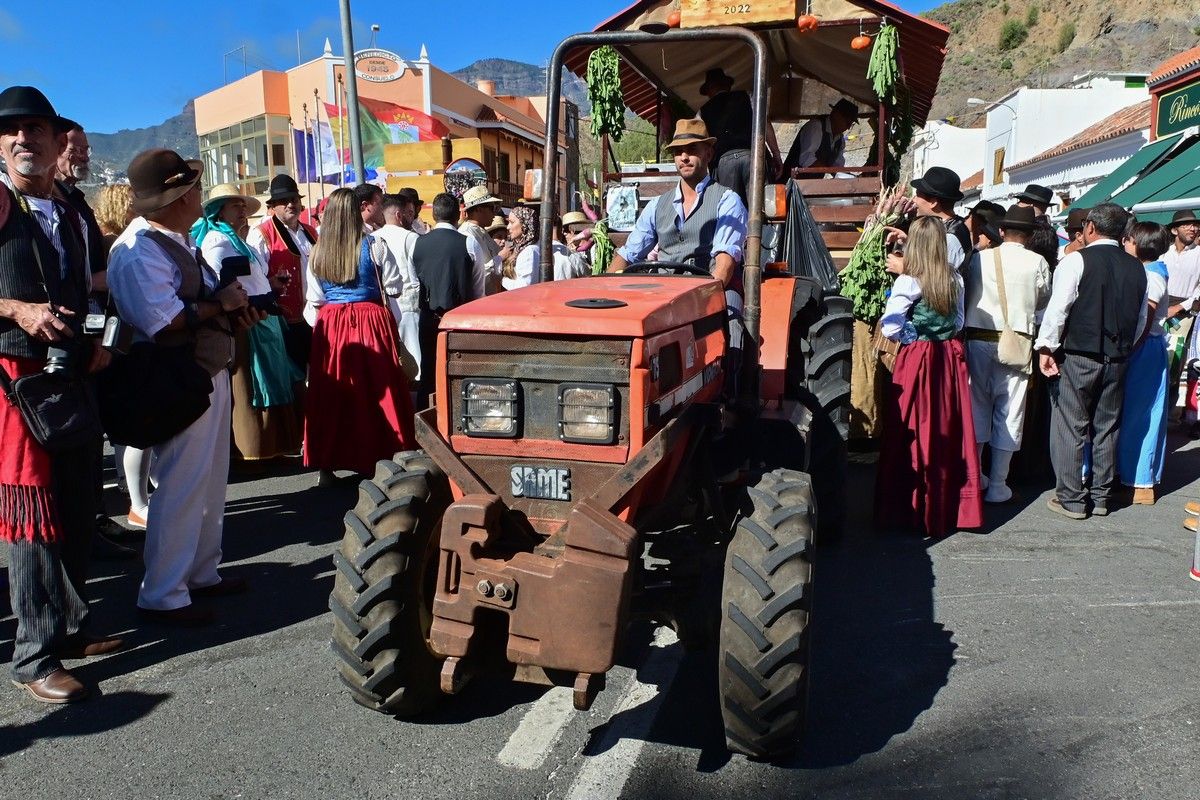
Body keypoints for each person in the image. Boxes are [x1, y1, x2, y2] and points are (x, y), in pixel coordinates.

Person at [0, 85, 123, 703]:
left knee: (78, 505)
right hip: (17, 383)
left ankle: (72, 629)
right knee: (33, 520)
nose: (24, 139)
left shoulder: (73, 210)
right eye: (12, 130)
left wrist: (102, 337)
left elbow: (95, 287)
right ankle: (34, 655)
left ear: (56, 142)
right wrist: (13, 307)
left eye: (36, 130)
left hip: (73, 373)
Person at [109, 148, 258, 626]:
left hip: (201, 369)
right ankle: (164, 593)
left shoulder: (169, 238)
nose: (198, 196)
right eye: (191, 189)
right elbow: (165, 320)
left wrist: (229, 307)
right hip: (175, 376)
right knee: (181, 484)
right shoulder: (140, 249)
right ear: (176, 198)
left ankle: (198, 573)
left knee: (210, 480)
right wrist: (223, 305)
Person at [52, 121, 140, 557]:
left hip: (94, 331)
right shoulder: (35, 204)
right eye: (76, 148)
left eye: (87, 148)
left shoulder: (75, 202)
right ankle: (78, 531)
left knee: (91, 436)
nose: (83, 155)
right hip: (58, 337)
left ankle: (94, 523)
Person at [1035, 203, 1148, 520]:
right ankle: (1100, 497)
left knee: (1070, 425)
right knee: (1107, 427)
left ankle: (1072, 498)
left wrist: (1046, 346)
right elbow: (1139, 319)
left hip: (1079, 354)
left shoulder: (1075, 262)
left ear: (1090, 228)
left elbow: (1059, 309)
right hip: (1118, 356)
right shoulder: (1136, 267)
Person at [610, 119, 748, 373]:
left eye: (692, 149)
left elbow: (724, 268)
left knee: (732, 323)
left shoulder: (727, 201)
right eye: (678, 152)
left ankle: (732, 399)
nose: (684, 157)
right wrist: (605, 289)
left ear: (709, 153)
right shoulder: (657, 206)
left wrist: (696, 304)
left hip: (713, 291)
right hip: (665, 292)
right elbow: (628, 253)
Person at [875, 215, 982, 536]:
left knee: (912, 426)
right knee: (945, 428)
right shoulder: (954, 279)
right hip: (948, 358)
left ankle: (909, 507)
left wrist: (913, 335)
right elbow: (960, 322)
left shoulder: (909, 281)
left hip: (919, 360)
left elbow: (891, 326)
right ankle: (945, 507)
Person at [303, 187, 415, 475]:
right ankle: (380, 455)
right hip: (370, 321)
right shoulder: (374, 245)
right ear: (355, 212)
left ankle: (326, 466)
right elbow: (393, 288)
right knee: (377, 388)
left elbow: (315, 299)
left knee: (333, 392)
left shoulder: (316, 252)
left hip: (331, 324)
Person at [192, 183, 303, 464]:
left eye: (243, 206)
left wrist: (271, 286)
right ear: (221, 211)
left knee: (271, 379)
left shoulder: (237, 241)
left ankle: (273, 446)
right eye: (235, 206)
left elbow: (252, 278)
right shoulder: (217, 240)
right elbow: (218, 280)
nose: (242, 211)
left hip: (263, 318)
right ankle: (254, 450)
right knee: (254, 385)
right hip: (247, 320)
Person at [963, 205, 1051, 503]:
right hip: (1018, 343)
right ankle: (999, 483)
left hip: (978, 339)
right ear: (1029, 235)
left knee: (978, 407)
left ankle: (973, 477)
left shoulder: (980, 259)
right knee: (1010, 411)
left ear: (1001, 231)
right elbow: (1042, 301)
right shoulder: (1038, 262)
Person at [1116, 221, 1172, 505]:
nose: (1125, 243)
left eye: (1129, 240)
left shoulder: (1152, 277)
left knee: (1142, 415)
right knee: (1140, 413)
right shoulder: (1152, 271)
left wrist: (1130, 349)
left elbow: (1145, 320)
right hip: (1148, 347)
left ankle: (1141, 481)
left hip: (1144, 348)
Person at [412, 192, 480, 408]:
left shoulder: (417, 243)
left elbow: (415, 283)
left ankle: (425, 415)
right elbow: (478, 286)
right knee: (459, 370)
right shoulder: (468, 243)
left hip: (427, 315)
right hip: (460, 318)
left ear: (434, 215)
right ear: (457, 216)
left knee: (429, 369)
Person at [247, 174, 316, 373]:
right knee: (292, 376)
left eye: (294, 199)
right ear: (273, 206)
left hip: (313, 316)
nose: (290, 204)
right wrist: (271, 284)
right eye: (284, 201)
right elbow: (256, 279)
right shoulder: (262, 233)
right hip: (283, 320)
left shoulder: (311, 232)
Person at [697, 68, 784, 205]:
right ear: (728, 86)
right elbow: (764, 123)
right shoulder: (747, 97)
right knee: (760, 208)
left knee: (731, 210)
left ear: (709, 90)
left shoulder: (702, 112)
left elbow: (700, 141)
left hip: (723, 163)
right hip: (752, 157)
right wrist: (776, 154)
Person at [375, 193, 421, 383]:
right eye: (409, 214)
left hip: (384, 306)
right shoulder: (411, 237)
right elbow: (418, 272)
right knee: (414, 357)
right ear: (399, 215)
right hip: (409, 303)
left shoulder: (373, 238)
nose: (412, 218)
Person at [909, 167, 971, 270]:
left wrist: (902, 267)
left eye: (918, 195)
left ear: (933, 202)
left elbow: (937, 281)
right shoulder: (952, 226)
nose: (914, 200)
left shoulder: (949, 239)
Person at [782, 98, 858, 177]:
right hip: (790, 184)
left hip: (813, 186)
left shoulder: (840, 140)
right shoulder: (816, 127)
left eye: (850, 124)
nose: (848, 127)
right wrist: (830, 169)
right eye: (847, 122)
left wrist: (851, 177)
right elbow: (806, 160)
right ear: (836, 115)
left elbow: (838, 166)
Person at [459, 185, 504, 294]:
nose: (494, 213)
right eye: (492, 208)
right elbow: (474, 274)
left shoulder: (482, 232)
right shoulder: (466, 234)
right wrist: (500, 258)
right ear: (479, 209)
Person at [1013, 183, 1059, 269]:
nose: (1017, 204)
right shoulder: (1049, 230)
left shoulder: (1034, 229)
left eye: (1021, 201)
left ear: (1030, 205)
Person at [501, 204, 542, 291]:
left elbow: (524, 287)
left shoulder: (529, 251)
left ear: (525, 224)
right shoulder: (522, 247)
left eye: (512, 222)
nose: (508, 227)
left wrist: (502, 280)